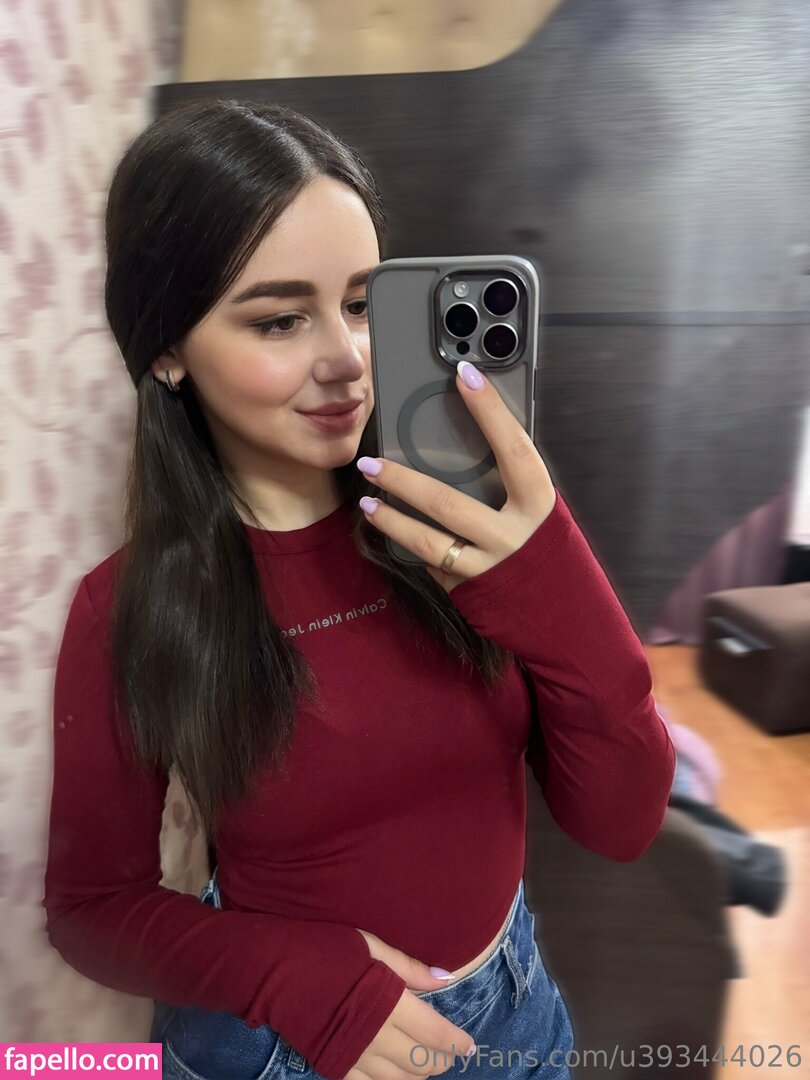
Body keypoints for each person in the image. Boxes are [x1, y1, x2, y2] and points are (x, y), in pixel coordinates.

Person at [42, 99, 676, 1080]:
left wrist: (556, 575)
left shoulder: (464, 535)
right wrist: (298, 977)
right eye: (281, 319)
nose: (348, 360)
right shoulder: (125, 608)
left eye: (363, 305)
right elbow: (89, 911)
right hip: (291, 1045)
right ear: (165, 349)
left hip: (516, 1012)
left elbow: (621, 824)